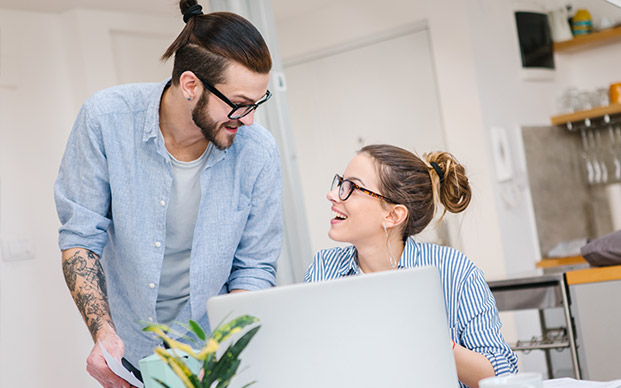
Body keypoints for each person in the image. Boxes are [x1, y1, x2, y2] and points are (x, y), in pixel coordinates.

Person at [54, 2, 283, 387]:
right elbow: (81, 240)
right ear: (191, 85)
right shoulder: (105, 120)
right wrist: (103, 334)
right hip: (131, 349)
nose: (249, 120)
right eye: (240, 105)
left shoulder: (257, 150)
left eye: (257, 103)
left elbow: (255, 266)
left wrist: (226, 354)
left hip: (214, 353)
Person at [305, 144, 518, 388]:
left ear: (393, 216)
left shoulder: (453, 270)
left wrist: (432, 335)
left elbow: (502, 375)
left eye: (351, 188)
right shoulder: (324, 269)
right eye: (341, 183)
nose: (333, 194)